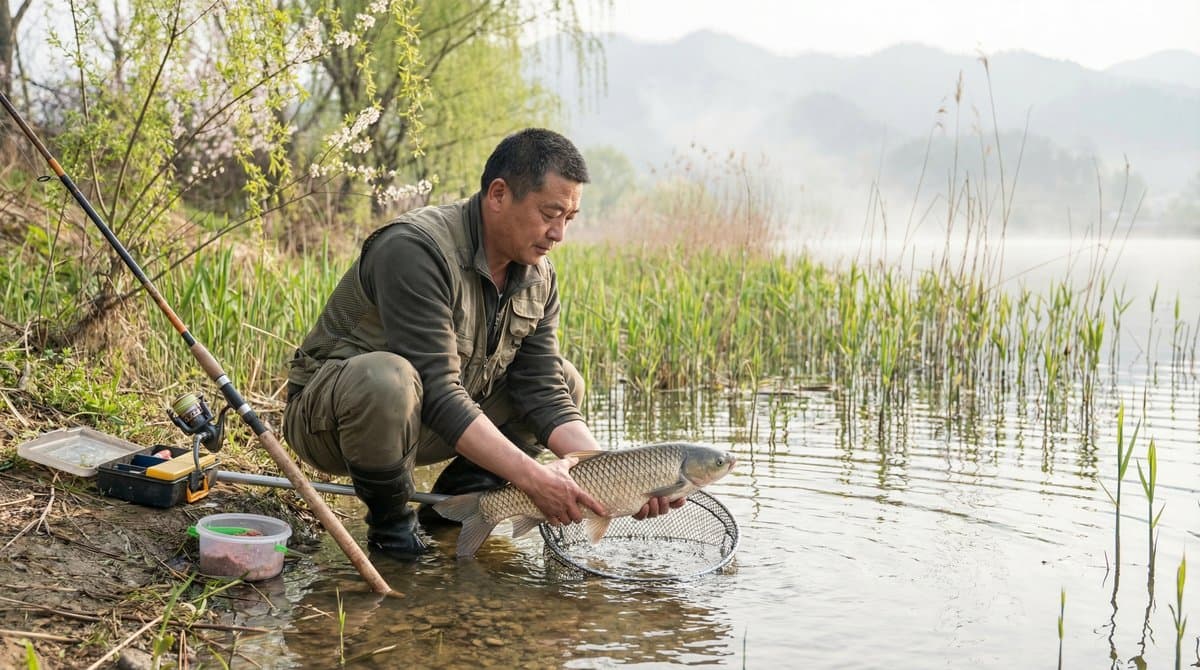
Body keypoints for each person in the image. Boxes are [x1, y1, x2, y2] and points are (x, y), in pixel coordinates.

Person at [282, 128, 680, 558]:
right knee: (387, 378)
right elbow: (438, 392)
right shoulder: (414, 249)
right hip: (334, 423)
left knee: (567, 380)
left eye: (569, 218)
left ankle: (453, 517)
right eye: (550, 214)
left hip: (426, 422)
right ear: (498, 195)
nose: (559, 233)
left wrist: (617, 479)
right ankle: (392, 531)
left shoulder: (538, 275)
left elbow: (543, 390)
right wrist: (533, 478)